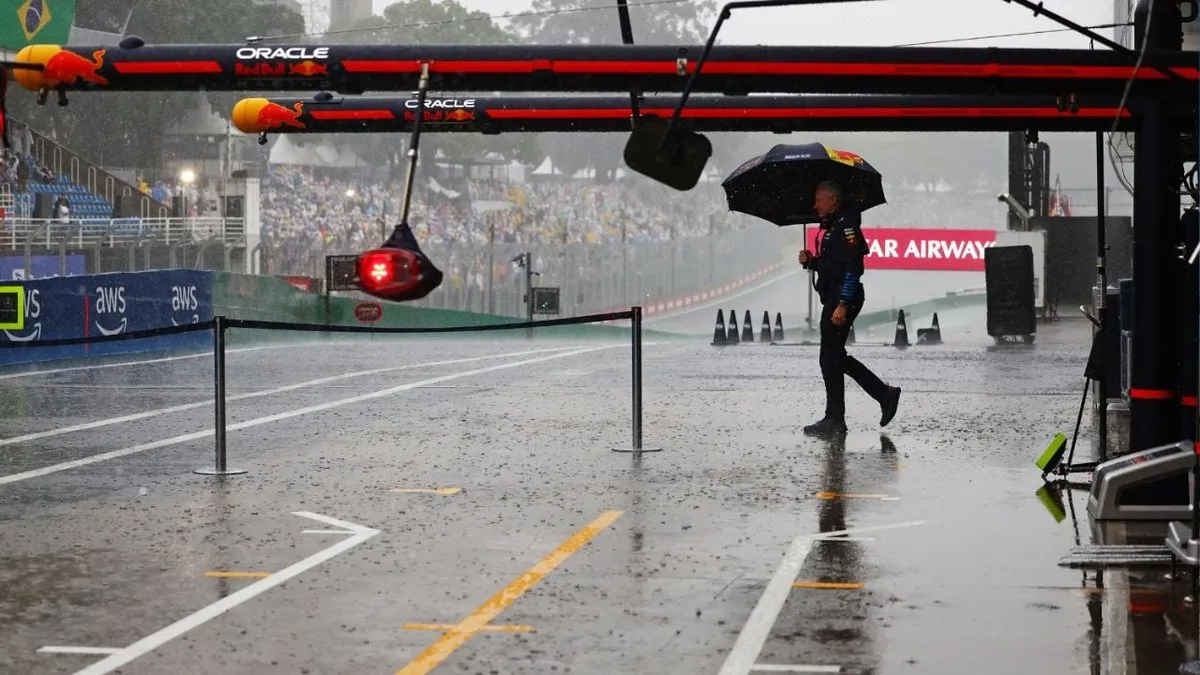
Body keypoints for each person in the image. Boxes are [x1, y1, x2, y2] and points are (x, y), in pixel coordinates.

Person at [798, 181, 901, 435]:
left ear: (833, 200)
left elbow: (854, 268)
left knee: (831, 357)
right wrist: (812, 261)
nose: (815, 206)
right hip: (833, 297)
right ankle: (869, 400)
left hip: (844, 299)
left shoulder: (847, 227)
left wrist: (843, 304)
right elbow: (833, 265)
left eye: (819, 201)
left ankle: (840, 416)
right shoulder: (832, 225)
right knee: (831, 357)